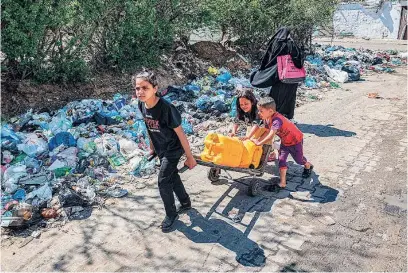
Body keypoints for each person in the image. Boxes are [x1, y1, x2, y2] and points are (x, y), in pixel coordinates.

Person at [133, 71, 197, 232]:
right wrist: (152, 147)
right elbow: (148, 126)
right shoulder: (142, 104)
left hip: (173, 149)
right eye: (137, 88)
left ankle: (171, 214)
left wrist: (189, 157)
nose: (140, 92)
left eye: (144, 88)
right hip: (161, 147)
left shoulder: (167, 108)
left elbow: (180, 133)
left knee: (163, 181)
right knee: (171, 175)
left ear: (155, 88)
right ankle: (185, 202)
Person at [247, 97, 313, 190]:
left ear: (270, 111)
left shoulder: (277, 120)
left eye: (261, 111)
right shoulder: (267, 119)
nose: (258, 113)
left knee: (299, 160)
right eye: (259, 110)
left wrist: (259, 143)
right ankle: (282, 183)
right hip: (285, 142)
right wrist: (258, 141)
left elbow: (270, 136)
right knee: (282, 160)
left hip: (295, 141)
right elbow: (266, 131)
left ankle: (308, 165)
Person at [250, 27, 304, 121]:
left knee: (276, 97)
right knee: (289, 97)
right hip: (291, 77)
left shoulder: (274, 43)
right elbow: (298, 59)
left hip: (277, 76)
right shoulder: (290, 44)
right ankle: (286, 117)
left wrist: (264, 70)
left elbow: (267, 59)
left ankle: (271, 117)